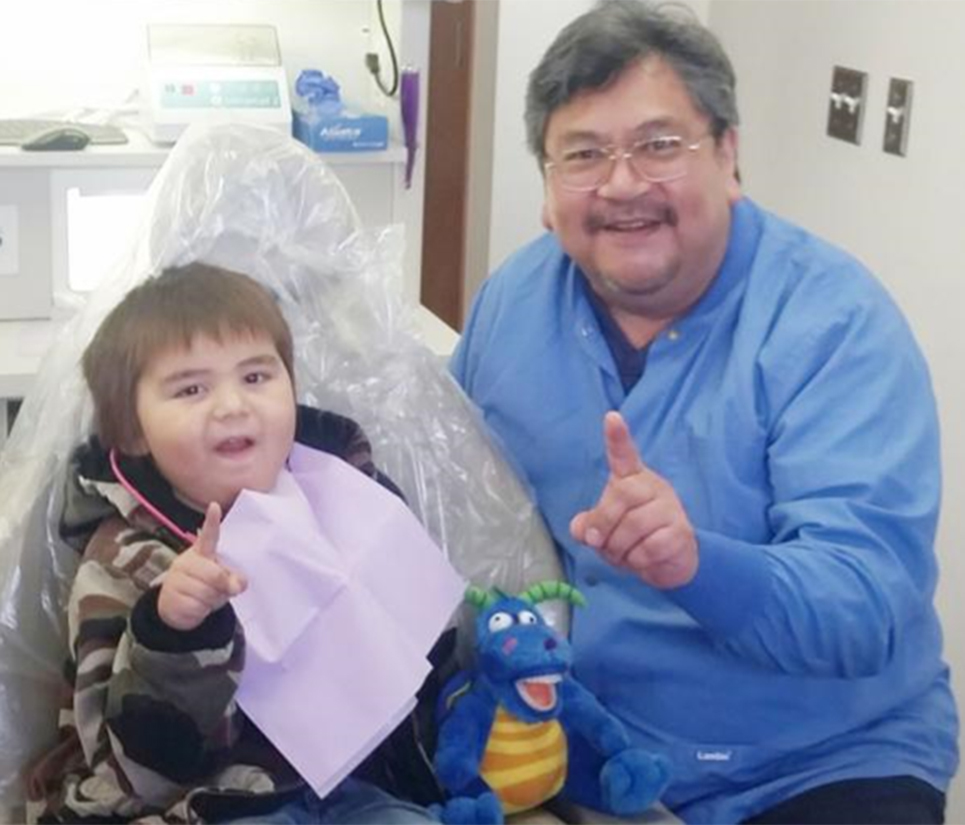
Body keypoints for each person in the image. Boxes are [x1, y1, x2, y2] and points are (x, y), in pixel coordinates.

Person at [450, 2, 958, 823]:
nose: (620, 184)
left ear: (727, 156)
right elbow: (449, 495)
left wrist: (692, 563)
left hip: (814, 764)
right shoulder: (512, 302)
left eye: (657, 145)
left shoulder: (834, 325)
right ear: (546, 190)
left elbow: (864, 606)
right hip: (582, 744)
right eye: (582, 154)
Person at [26, 262, 446, 824]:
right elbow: (135, 772)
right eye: (191, 388)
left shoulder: (345, 492)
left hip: (347, 785)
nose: (232, 406)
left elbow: (421, 633)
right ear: (131, 431)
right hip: (204, 801)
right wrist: (175, 631)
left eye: (256, 377)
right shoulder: (123, 563)